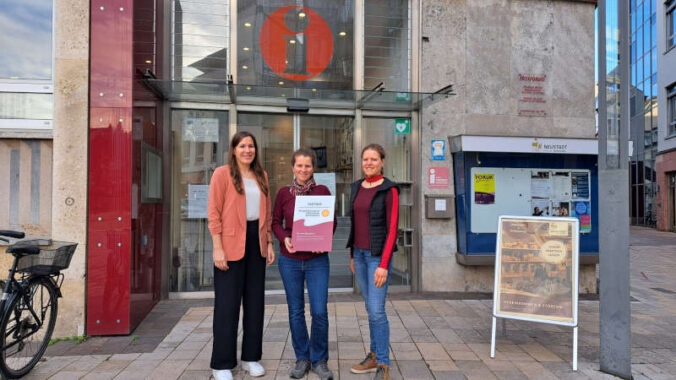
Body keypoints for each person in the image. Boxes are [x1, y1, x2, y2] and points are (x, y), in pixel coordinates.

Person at [207, 131, 275, 380]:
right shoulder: (222, 174)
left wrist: (268, 242)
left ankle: (250, 358)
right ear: (234, 149)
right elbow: (213, 213)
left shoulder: (262, 176)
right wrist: (217, 247)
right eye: (242, 146)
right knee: (227, 306)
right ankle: (222, 363)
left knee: (255, 304)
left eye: (251, 146)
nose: (247, 150)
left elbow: (266, 214)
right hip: (229, 244)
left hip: (255, 244)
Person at [272, 148, 337, 380]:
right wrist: (284, 238)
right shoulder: (283, 193)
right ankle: (302, 358)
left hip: (317, 260)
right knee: (296, 311)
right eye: (299, 165)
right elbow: (275, 223)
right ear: (293, 167)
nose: (303, 170)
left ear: (313, 168)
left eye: (307, 166)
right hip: (290, 260)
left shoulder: (322, 191)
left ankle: (320, 360)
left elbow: (332, 222)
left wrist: (324, 239)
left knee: (319, 311)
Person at [347, 144, 399, 380]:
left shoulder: (389, 190)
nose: (369, 163)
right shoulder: (356, 187)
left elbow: (392, 230)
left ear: (382, 162)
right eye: (365, 159)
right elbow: (355, 224)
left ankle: (384, 364)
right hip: (358, 255)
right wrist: (351, 256)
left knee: (377, 311)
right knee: (370, 309)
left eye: (374, 159)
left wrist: (384, 264)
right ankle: (374, 354)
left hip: (376, 257)